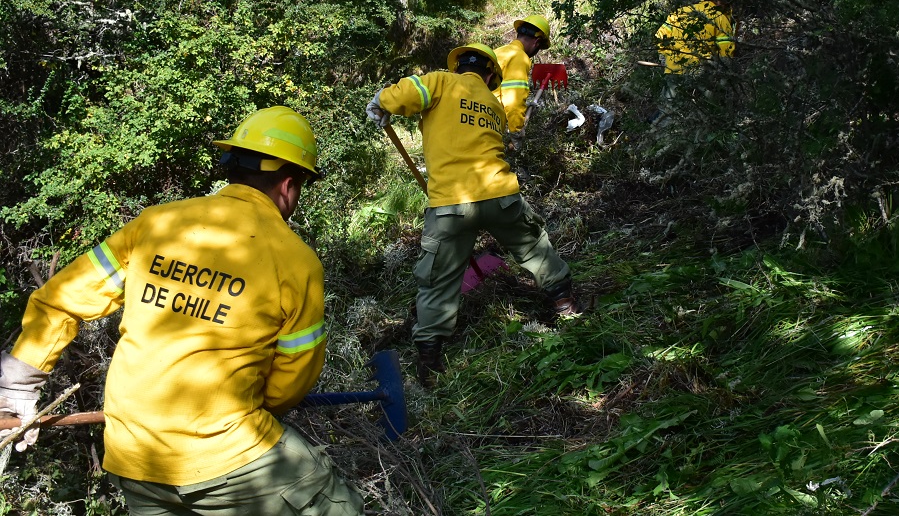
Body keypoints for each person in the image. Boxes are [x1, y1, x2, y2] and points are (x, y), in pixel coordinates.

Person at [0, 106, 364, 516]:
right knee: (339, 508)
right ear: (289, 185)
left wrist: (17, 386)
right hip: (230, 457)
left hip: (132, 455)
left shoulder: (155, 224)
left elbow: (60, 298)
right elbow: (292, 378)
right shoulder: (296, 262)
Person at [365, 43, 578, 385]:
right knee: (534, 247)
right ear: (491, 74)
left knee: (438, 278)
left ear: (459, 65)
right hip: (500, 195)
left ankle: (429, 359)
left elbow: (405, 93)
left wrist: (381, 103)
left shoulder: (440, 81)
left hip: (451, 203)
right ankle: (565, 304)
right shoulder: (493, 103)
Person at [655, 0, 749, 101]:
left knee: (668, 109)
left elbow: (660, 35)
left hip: (673, 69)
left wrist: (665, 59)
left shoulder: (680, 12)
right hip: (700, 72)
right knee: (708, 106)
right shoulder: (720, 19)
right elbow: (726, 54)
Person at [493, 14, 551, 150]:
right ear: (536, 42)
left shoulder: (497, 51)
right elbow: (513, 100)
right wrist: (516, 132)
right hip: (488, 123)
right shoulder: (519, 57)